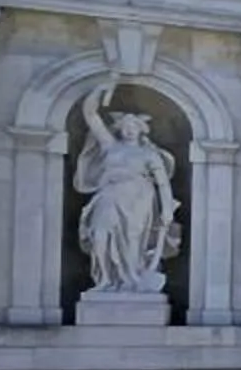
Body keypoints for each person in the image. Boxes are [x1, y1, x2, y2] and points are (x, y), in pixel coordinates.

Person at [75, 80, 180, 293]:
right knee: (100, 234)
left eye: (134, 127)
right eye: (126, 127)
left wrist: (167, 209)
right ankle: (105, 280)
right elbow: (91, 116)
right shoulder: (109, 146)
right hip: (110, 195)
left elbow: (162, 183)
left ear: (141, 130)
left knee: (134, 239)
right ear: (120, 129)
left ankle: (131, 281)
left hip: (139, 198)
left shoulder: (149, 154)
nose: (130, 130)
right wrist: (99, 89)